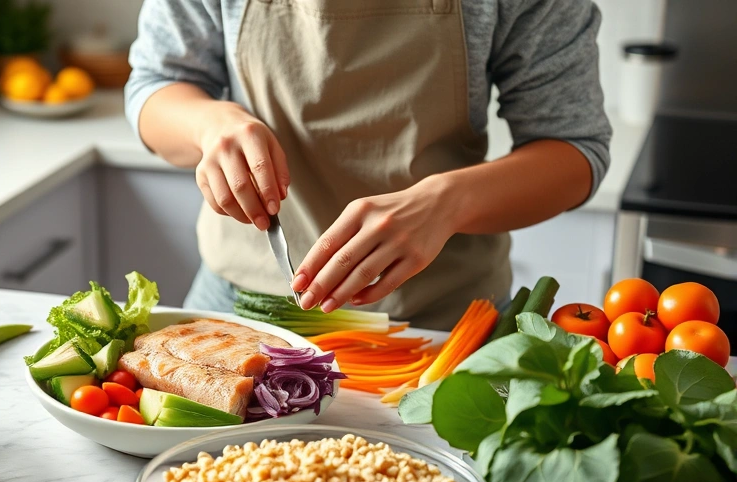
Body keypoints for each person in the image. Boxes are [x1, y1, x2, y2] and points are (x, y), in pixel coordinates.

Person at [125, 0, 611, 330]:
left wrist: (447, 203)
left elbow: (574, 148)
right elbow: (155, 85)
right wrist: (210, 123)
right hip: (239, 305)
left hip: (443, 321)